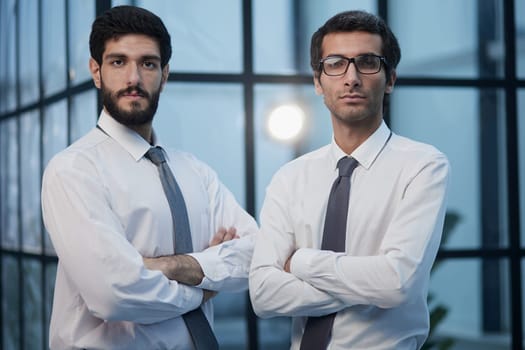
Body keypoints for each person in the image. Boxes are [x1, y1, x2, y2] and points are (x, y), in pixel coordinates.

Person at [41, 5, 256, 349]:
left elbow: (255, 255)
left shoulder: (195, 171)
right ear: (95, 71)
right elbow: (113, 294)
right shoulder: (74, 170)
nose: (133, 79)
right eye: (117, 62)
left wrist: (166, 266)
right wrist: (206, 285)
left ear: (165, 73)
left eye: (148, 63)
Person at [249, 10, 450, 350]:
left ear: (390, 79)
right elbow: (265, 296)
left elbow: (396, 283)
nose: (351, 77)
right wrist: (366, 285)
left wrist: (300, 262)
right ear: (318, 81)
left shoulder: (423, 166)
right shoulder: (290, 177)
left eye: (368, 62)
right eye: (335, 63)